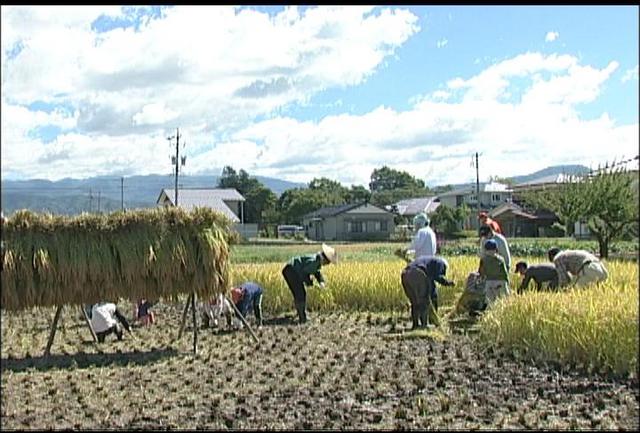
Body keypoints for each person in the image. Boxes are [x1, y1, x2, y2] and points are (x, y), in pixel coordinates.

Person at [282, 243, 337, 324]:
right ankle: (302, 318)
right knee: (300, 293)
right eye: (328, 262)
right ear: (325, 259)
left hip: (290, 270)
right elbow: (303, 273)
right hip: (291, 271)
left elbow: (317, 273)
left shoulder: (316, 260)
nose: (327, 264)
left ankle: (300, 313)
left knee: (299, 293)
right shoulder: (314, 262)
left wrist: (321, 282)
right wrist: (309, 282)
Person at [400, 255, 454, 329]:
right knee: (424, 300)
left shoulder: (429, 262)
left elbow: (431, 281)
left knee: (415, 302)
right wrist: (448, 283)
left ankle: (415, 325)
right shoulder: (440, 263)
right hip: (416, 273)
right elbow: (438, 277)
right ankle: (424, 325)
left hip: (405, 274)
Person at [478, 239, 510, 304]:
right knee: (503, 301)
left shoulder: (483, 260)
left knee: (490, 303)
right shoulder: (501, 259)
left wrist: (480, 280)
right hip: (501, 282)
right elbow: (505, 272)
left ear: (485, 250)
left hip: (489, 282)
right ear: (496, 250)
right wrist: (507, 282)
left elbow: (481, 272)